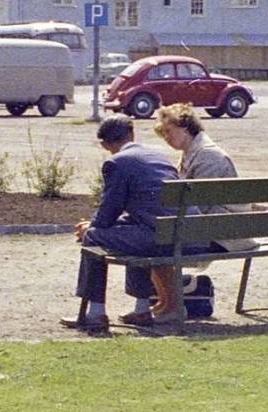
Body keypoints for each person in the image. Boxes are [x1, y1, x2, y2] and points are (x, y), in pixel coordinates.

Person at [61, 115, 180, 332]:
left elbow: (108, 212)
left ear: (105, 144)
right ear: (132, 134)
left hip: (156, 237)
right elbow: (151, 210)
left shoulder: (117, 163)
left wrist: (91, 227)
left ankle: (96, 313)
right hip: (184, 236)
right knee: (133, 234)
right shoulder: (159, 157)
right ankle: (142, 308)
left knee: (93, 237)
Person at [150, 103, 264, 318]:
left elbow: (196, 206)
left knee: (151, 242)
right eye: (162, 133)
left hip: (225, 234)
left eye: (169, 131)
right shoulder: (193, 152)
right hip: (214, 226)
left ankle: (171, 306)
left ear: (185, 127)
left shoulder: (208, 156)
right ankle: (168, 303)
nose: (165, 137)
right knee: (152, 238)